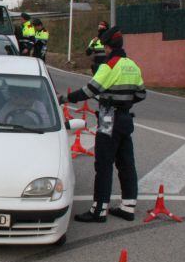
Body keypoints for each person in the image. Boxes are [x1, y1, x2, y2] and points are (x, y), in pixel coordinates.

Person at [59, 26, 146, 223]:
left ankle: (99, 210)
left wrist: (64, 98)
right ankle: (128, 207)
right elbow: (141, 94)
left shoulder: (109, 66)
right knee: (126, 164)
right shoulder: (132, 65)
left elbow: (89, 91)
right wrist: (124, 101)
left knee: (104, 164)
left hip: (109, 119)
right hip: (125, 119)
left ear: (107, 47)